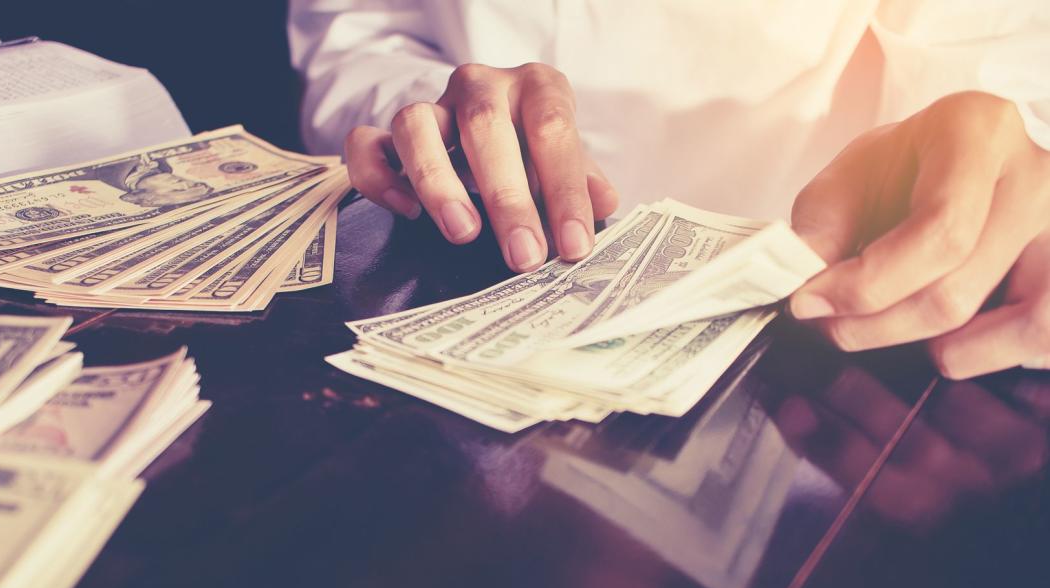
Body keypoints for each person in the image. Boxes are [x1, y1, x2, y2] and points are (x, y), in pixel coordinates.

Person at [288, 1, 1050, 379]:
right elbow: (359, 25)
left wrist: (1004, 140)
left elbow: (1003, 72)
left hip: (811, 342)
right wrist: (432, 125)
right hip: (451, 293)